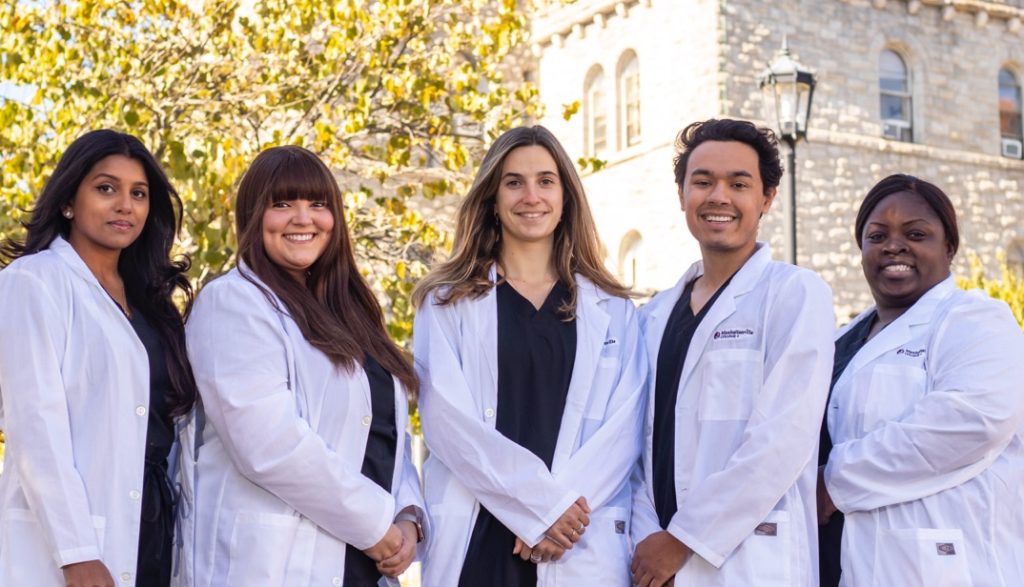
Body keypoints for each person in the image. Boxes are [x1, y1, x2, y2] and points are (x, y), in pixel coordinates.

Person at [412, 125, 646, 586]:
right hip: (481, 536)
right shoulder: (446, 303)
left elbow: (625, 427)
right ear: (492, 199)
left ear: (565, 198)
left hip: (576, 537)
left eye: (545, 181)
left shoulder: (613, 308)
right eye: (513, 182)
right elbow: (445, 421)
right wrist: (537, 507)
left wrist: (557, 516)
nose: (530, 196)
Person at [180, 145, 425, 586]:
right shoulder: (233, 303)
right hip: (272, 564)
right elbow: (269, 445)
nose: (303, 219)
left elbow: (386, 434)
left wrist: (407, 514)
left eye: (318, 204)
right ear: (254, 216)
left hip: (362, 564)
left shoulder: (352, 312)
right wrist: (376, 525)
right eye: (282, 204)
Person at [630, 119, 834, 587]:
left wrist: (683, 539)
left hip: (747, 563)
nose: (718, 196)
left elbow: (783, 439)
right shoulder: (653, 316)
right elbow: (636, 445)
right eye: (702, 182)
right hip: (652, 562)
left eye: (738, 183)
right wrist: (648, 537)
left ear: (766, 198)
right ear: (682, 194)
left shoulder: (794, 294)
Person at [0, 130, 197, 586]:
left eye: (139, 193)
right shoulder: (35, 282)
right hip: (76, 540)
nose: (125, 205)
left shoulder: (151, 303)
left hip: (154, 527)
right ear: (69, 201)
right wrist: (77, 553)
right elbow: (35, 426)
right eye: (106, 188)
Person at [817, 174, 1024, 586]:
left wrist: (833, 482)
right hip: (845, 560)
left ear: (948, 248)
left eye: (915, 233)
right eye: (877, 236)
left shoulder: (976, 320)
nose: (894, 245)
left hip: (942, 564)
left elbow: (969, 422)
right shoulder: (842, 339)